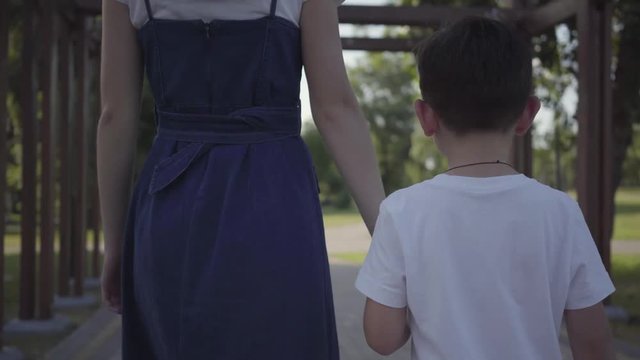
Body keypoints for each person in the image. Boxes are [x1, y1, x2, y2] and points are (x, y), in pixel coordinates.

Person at [97, 0, 385, 358]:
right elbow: (335, 109)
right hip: (274, 200)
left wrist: (116, 244)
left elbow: (114, 116)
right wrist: (386, 238)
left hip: (170, 203)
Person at [355, 17, 616, 360]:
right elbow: (593, 344)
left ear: (426, 117)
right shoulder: (559, 211)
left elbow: (381, 338)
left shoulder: (401, 211)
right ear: (527, 114)